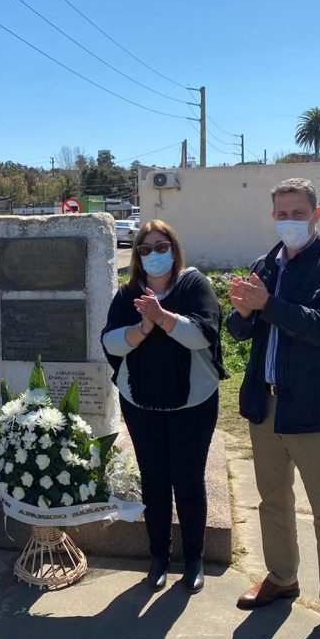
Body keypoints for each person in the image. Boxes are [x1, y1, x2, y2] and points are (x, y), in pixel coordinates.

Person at [226, 178, 320, 639]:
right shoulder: (267, 263)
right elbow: (240, 331)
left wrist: (267, 304)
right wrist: (243, 311)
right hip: (265, 406)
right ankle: (282, 578)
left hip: (316, 411)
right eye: (281, 212)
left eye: (297, 212)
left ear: (316, 214)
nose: (289, 220)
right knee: (272, 501)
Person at [102, 220, 226, 593]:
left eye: (161, 246)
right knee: (154, 482)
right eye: (145, 248)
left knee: (188, 482)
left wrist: (163, 318)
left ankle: (193, 559)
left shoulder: (194, 286)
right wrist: (141, 329)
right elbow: (110, 342)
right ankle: (158, 557)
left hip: (193, 404)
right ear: (136, 255)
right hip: (142, 404)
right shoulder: (128, 295)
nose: (154, 254)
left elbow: (204, 335)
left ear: (173, 249)